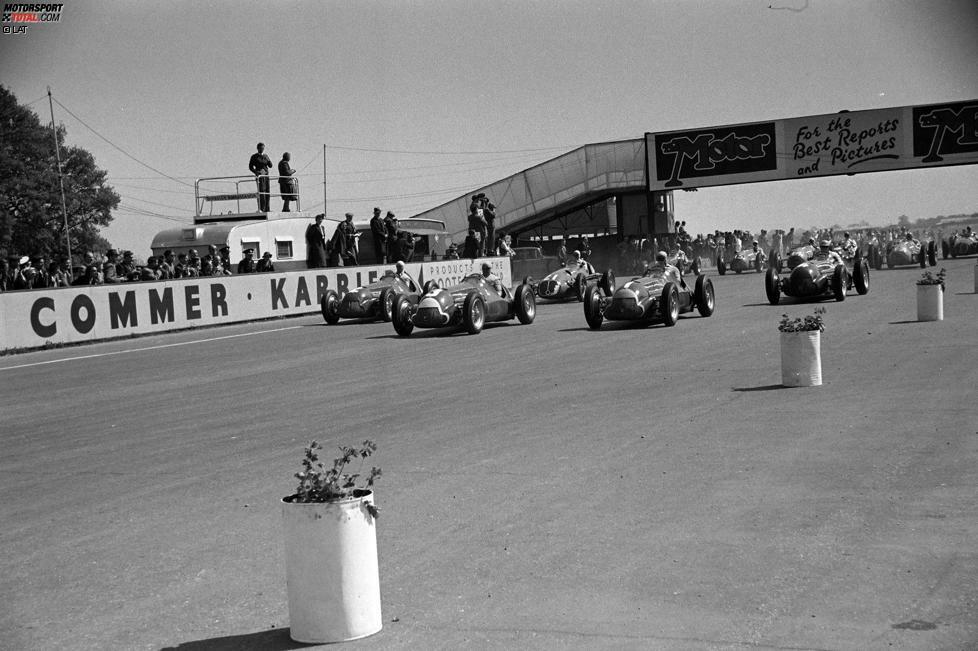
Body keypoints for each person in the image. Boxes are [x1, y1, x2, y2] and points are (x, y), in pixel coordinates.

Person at [248, 142, 273, 212]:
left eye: (263, 148)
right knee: (262, 191)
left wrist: (268, 160)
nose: (262, 149)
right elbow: (250, 167)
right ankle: (262, 208)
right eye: (261, 148)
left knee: (267, 191)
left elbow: (270, 165)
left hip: (266, 175)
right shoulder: (254, 156)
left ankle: (267, 208)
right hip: (259, 176)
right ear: (258, 148)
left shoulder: (266, 156)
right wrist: (256, 172)